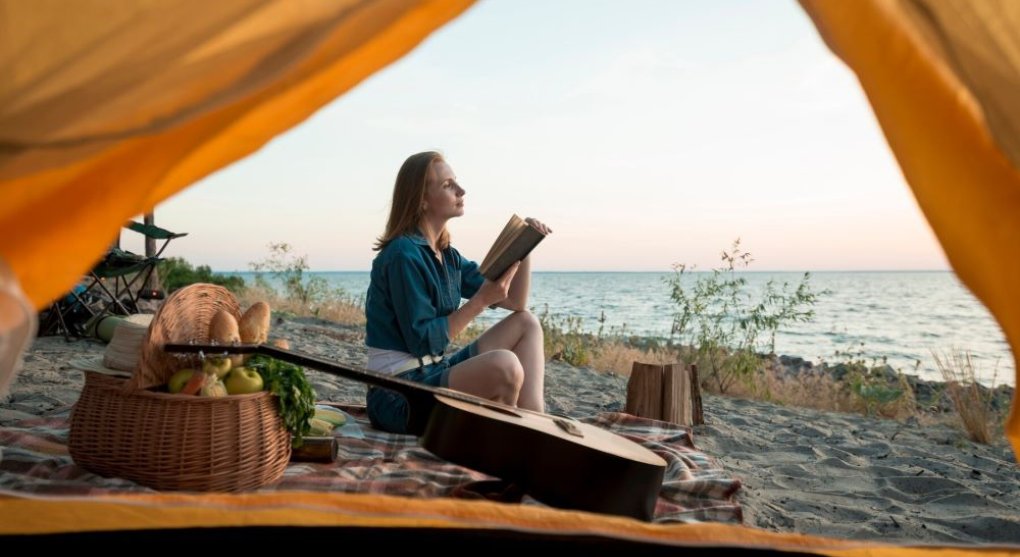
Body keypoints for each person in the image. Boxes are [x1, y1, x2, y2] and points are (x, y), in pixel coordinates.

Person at [364, 151, 552, 434]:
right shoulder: (403, 255)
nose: (460, 190)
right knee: (505, 366)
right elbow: (424, 342)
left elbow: (515, 302)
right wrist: (480, 301)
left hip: (434, 372)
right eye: (447, 185)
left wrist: (525, 246)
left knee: (526, 323)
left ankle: (536, 425)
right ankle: (511, 438)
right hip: (398, 394)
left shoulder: (447, 256)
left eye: (456, 182)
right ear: (422, 200)